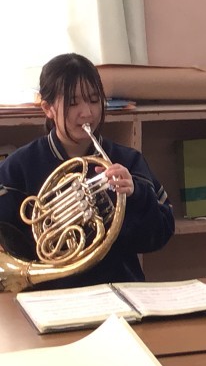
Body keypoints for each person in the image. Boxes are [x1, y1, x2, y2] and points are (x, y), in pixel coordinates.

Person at [0, 53, 175, 289]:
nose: (87, 113)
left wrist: (136, 194)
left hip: (117, 288)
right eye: (73, 103)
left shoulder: (126, 161)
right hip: (48, 294)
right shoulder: (20, 166)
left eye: (94, 100)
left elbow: (160, 234)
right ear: (48, 108)